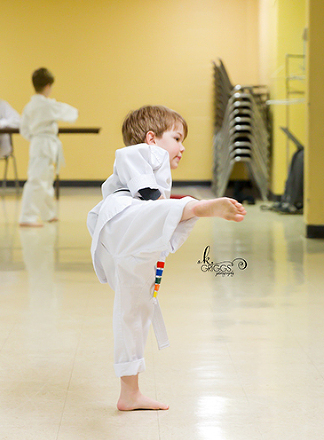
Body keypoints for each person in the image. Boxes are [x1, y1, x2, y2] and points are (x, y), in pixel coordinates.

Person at [87, 105, 246, 411]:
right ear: (151, 138)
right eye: (176, 137)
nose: (182, 147)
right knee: (167, 211)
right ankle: (198, 207)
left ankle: (129, 393)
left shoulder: (154, 167)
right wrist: (173, 205)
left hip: (134, 240)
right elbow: (141, 185)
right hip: (122, 218)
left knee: (134, 310)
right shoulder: (143, 153)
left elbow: (154, 204)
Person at [18, 68, 78, 227]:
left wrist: (35, 138)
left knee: (45, 178)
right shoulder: (47, 105)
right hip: (45, 145)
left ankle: (48, 213)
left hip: (38, 144)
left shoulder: (29, 106)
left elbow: (23, 129)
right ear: (48, 86)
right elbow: (72, 114)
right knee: (37, 180)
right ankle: (27, 217)